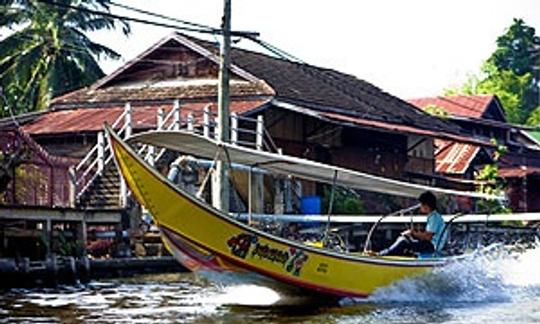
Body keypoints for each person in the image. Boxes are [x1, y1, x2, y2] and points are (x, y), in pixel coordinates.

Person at [376, 191, 447, 257]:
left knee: (403, 241)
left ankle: (381, 255)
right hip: (429, 244)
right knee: (404, 239)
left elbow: (428, 237)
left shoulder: (434, 218)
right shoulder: (432, 216)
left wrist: (412, 233)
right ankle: (387, 254)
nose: (420, 207)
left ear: (426, 206)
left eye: (421, 204)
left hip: (432, 247)